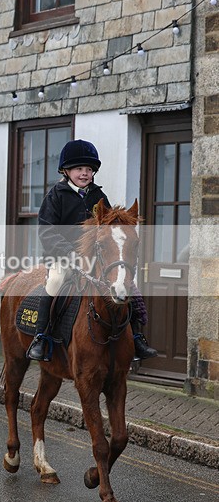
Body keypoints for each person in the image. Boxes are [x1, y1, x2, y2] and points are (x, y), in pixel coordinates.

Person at [26, 138, 157, 362]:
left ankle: (136, 338)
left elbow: (109, 227)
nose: (85, 173)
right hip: (63, 257)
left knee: (128, 286)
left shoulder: (98, 196)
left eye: (89, 169)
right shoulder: (55, 196)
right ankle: (41, 337)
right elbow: (47, 231)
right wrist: (69, 252)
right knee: (55, 282)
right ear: (66, 171)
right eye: (79, 169)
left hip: (95, 258)